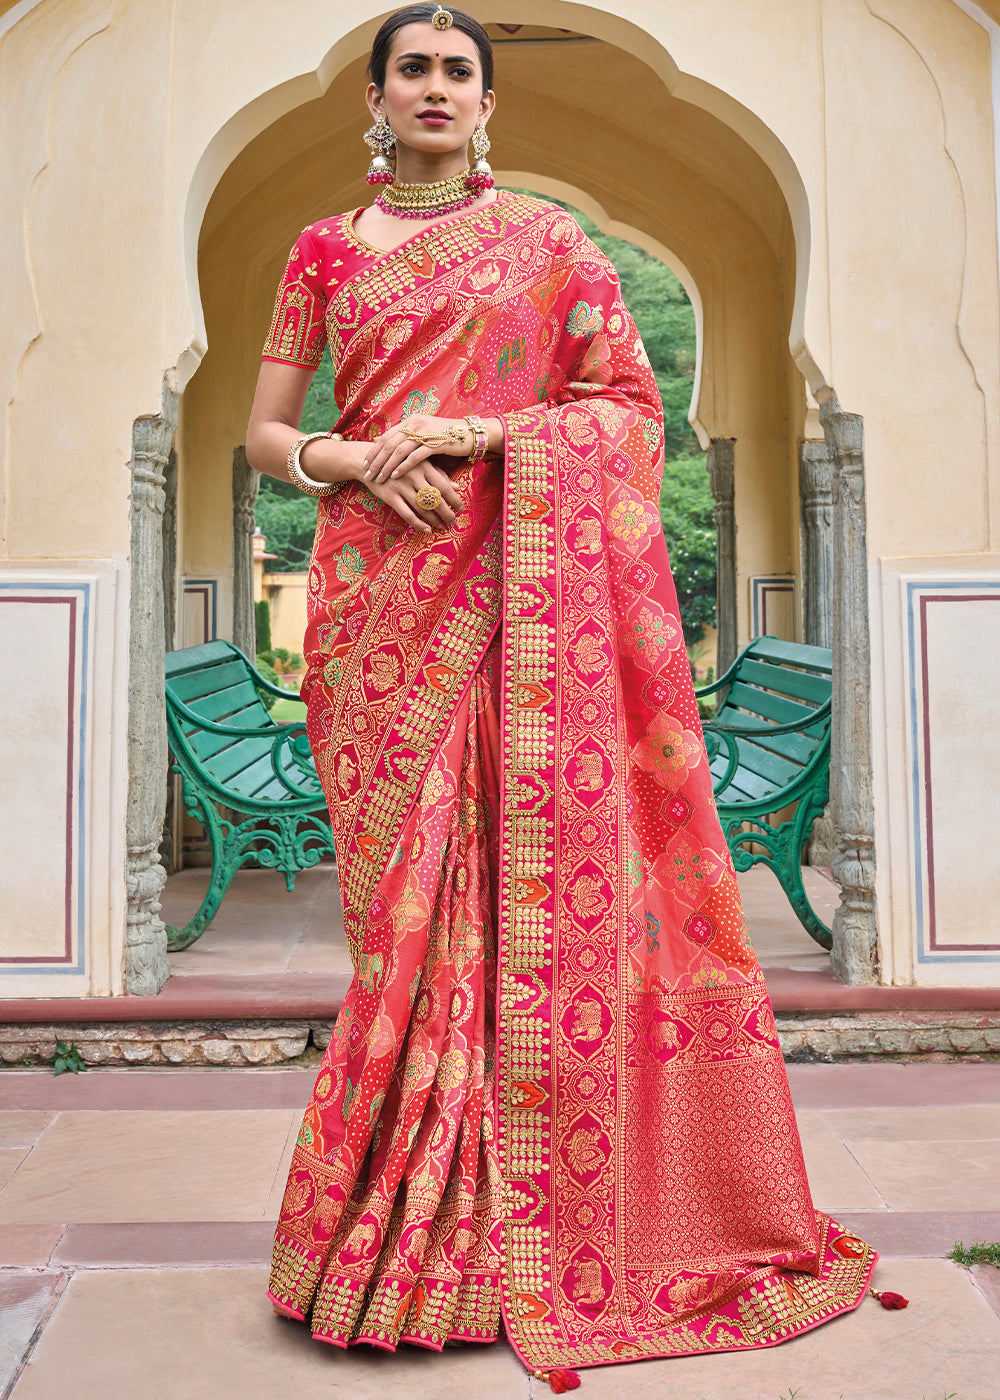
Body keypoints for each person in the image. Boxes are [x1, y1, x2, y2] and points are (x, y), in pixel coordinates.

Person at [246, 5, 889, 1387]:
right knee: (401, 930)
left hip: (509, 599)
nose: (433, 89)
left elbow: (632, 417)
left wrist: (481, 431)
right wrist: (355, 464)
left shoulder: (552, 248)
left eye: (457, 73)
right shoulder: (321, 252)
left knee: (504, 919)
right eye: (410, 69)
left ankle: (490, 1246)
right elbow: (265, 432)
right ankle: (387, 1228)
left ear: (489, 106)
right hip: (376, 613)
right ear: (375, 96)